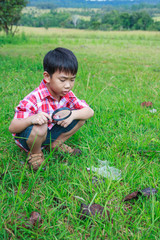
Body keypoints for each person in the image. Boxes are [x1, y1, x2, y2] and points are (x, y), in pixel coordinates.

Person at [9, 47, 94, 171]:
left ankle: (55, 144)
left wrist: (73, 115)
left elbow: (89, 111)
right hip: (29, 139)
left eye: (72, 79)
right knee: (41, 125)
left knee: (80, 117)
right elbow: (12, 127)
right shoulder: (34, 99)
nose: (68, 85)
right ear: (47, 77)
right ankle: (36, 154)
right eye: (63, 80)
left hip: (48, 134)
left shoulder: (67, 94)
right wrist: (32, 119)